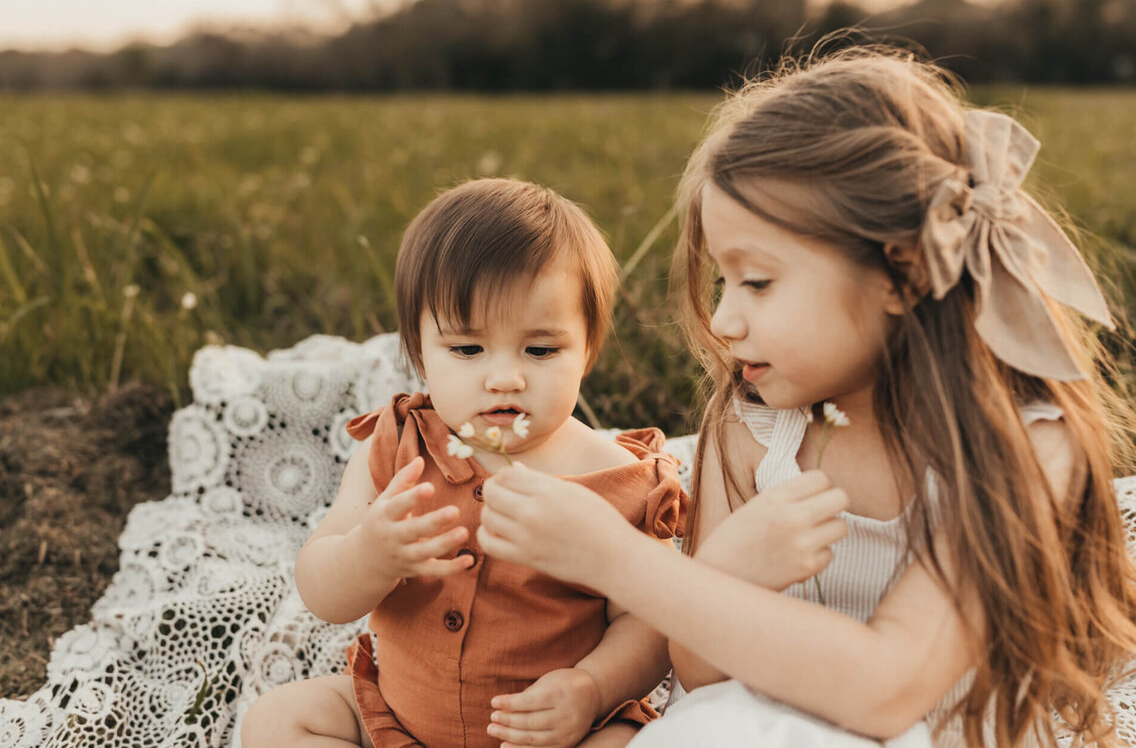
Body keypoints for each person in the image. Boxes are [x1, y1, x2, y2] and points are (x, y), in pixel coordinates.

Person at [476, 46, 1136, 748]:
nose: (725, 320)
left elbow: (889, 689)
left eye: (757, 282)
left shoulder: (1027, 445)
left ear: (900, 274)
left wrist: (617, 559)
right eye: (724, 283)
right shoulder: (757, 427)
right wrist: (732, 568)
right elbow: (699, 675)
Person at [241, 178, 687, 748]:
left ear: (588, 350)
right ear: (418, 350)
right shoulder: (397, 447)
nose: (504, 376)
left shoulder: (618, 482)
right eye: (468, 349)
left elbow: (650, 624)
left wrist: (591, 689)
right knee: (278, 721)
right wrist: (368, 555)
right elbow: (322, 592)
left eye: (542, 350)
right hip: (397, 722)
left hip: (556, 737)